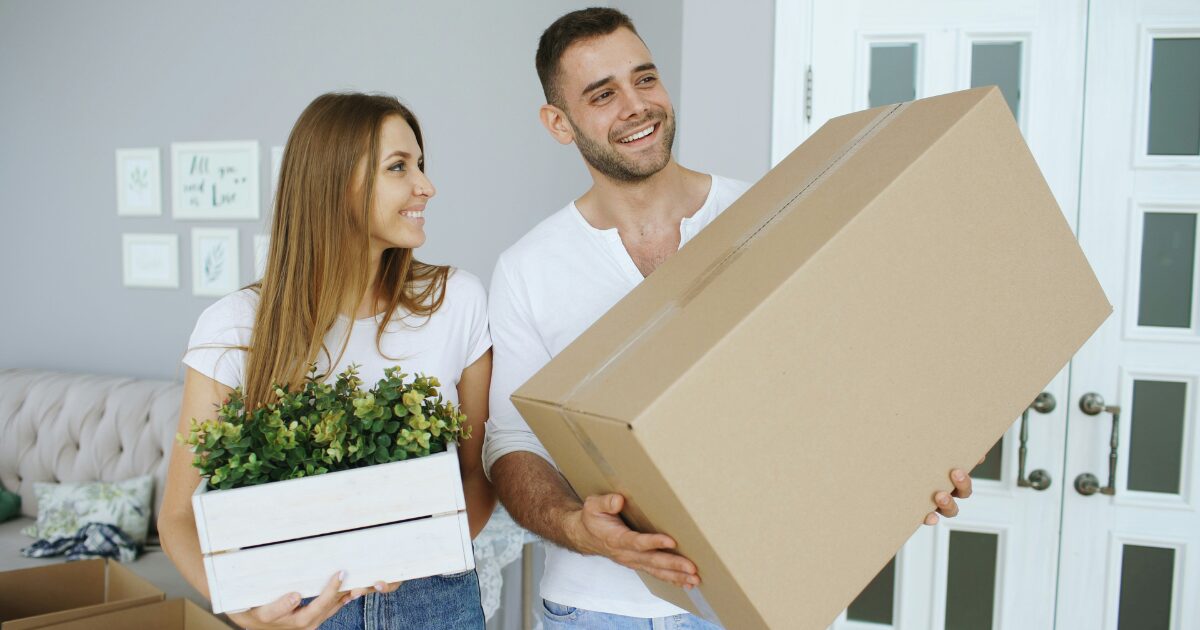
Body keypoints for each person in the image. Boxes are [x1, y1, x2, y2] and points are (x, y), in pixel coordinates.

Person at [483, 8, 976, 628]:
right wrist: (578, 528)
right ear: (559, 123)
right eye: (602, 95)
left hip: (755, 601)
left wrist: (915, 463)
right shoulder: (529, 267)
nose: (636, 106)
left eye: (646, 78)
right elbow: (511, 442)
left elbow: (846, 377)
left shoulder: (770, 217)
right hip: (596, 609)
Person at [158, 92, 494, 630]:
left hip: (434, 600)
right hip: (303, 610)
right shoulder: (234, 327)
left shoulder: (458, 301)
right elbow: (177, 517)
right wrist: (249, 615)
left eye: (421, 165)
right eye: (398, 168)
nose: (425, 186)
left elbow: (476, 476)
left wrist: (415, 553)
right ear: (337, 185)